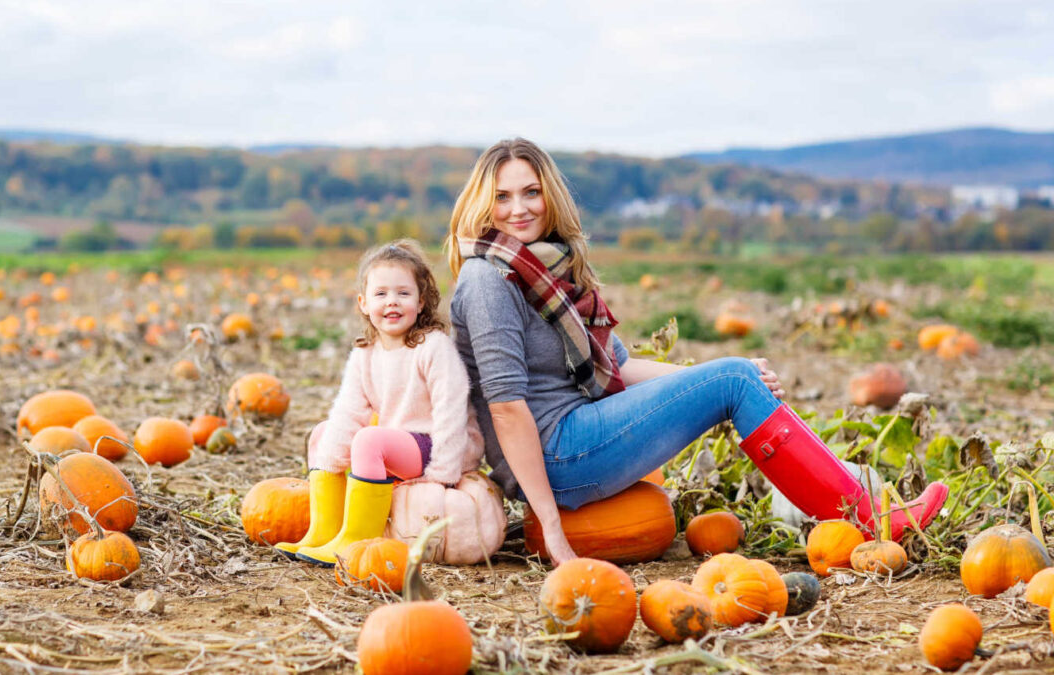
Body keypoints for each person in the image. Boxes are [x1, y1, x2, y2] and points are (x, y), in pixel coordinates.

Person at [446, 138, 948, 565]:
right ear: (483, 205)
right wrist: (552, 529)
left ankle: (856, 512)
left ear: (549, 195)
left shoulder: (546, 271)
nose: (519, 208)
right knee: (730, 379)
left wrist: (721, 379)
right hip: (557, 455)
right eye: (503, 197)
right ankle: (867, 518)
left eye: (531, 192)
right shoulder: (489, 279)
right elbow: (507, 409)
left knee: (732, 377)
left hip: (578, 436)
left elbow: (619, 366)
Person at [277, 239, 484, 566]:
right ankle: (324, 531)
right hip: (399, 441)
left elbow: (451, 411)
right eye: (381, 294)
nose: (392, 302)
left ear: (420, 303)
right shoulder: (365, 353)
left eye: (403, 293)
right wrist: (331, 463)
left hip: (439, 443)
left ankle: (357, 540)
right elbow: (348, 412)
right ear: (363, 302)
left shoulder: (433, 347)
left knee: (369, 439)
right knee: (323, 433)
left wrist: (443, 473)